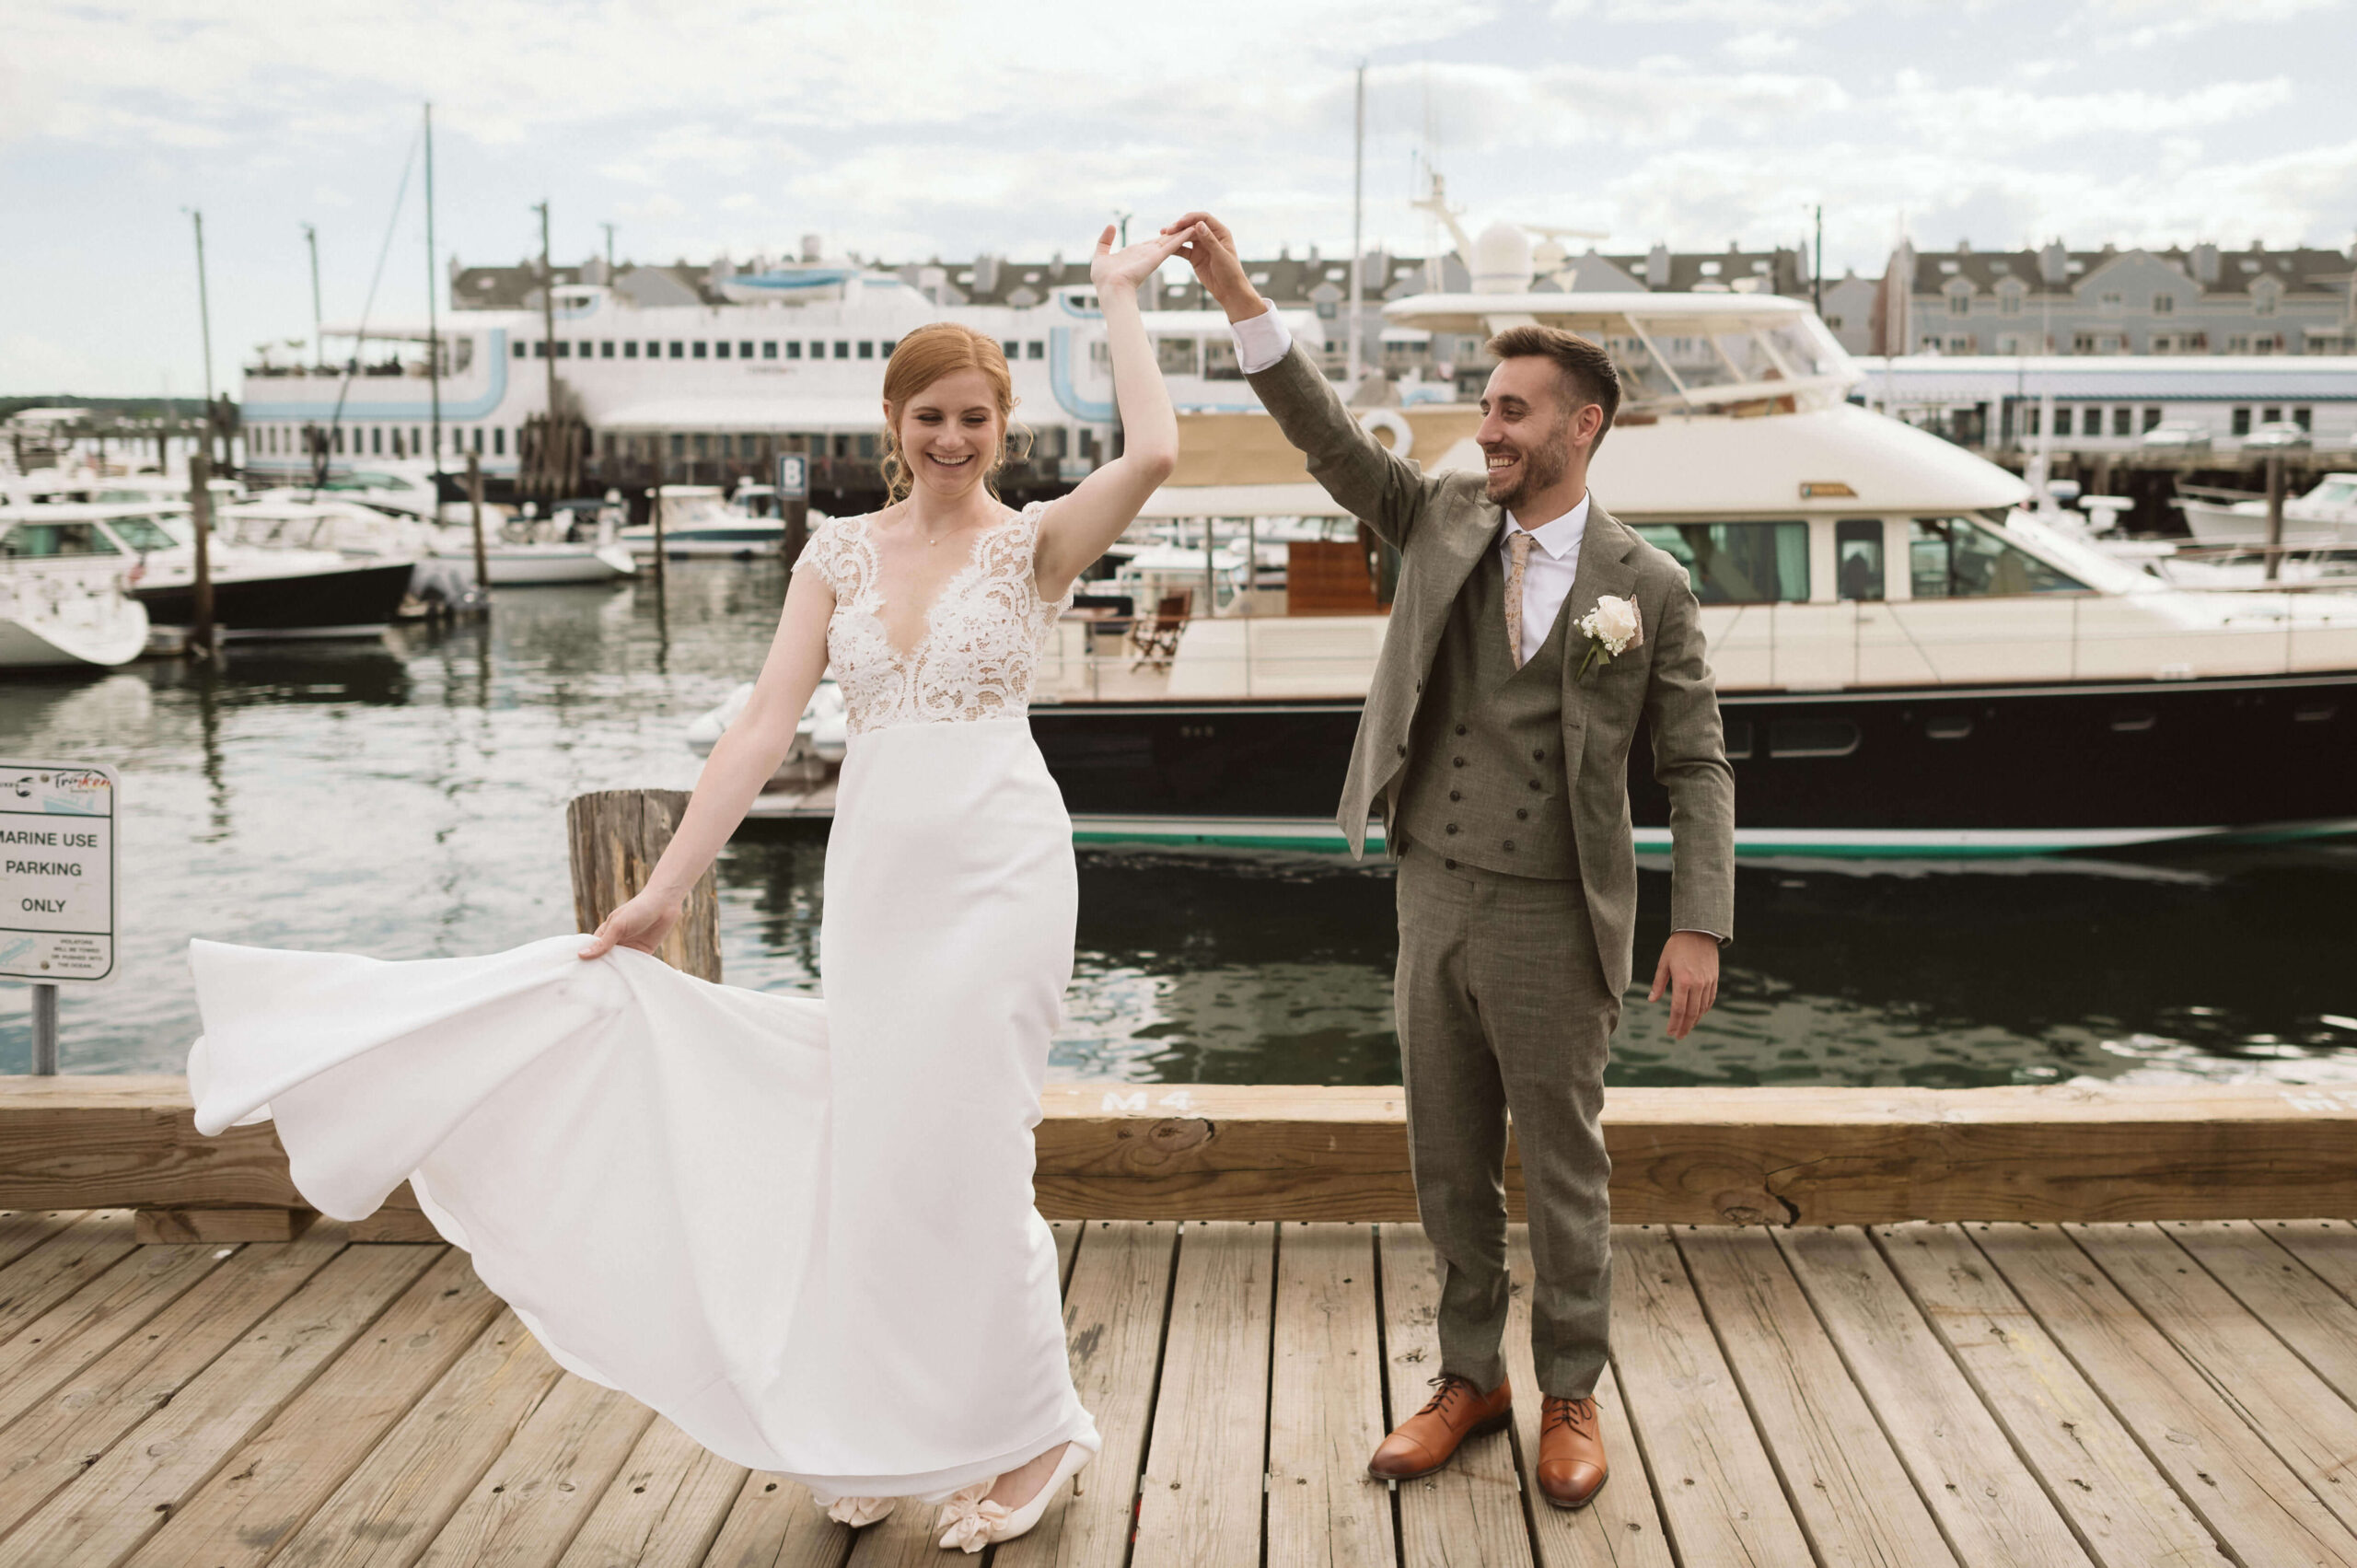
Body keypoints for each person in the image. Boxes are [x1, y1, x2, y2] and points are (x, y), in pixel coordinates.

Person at [185, 221, 1193, 1554]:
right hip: (881, 877)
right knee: (874, 1148)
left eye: (975, 417)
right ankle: (884, 1420)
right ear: (892, 422)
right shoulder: (834, 553)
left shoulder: (1038, 547)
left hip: (1000, 871)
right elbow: (762, 730)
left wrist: (1119, 297)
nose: (952, 437)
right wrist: (662, 893)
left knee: (972, 1146)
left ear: (1003, 426)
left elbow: (1159, 450)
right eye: (929, 416)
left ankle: (1033, 1426)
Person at [1164, 212, 1736, 1511]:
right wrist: (1239, 291)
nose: (1490, 428)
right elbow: (1321, 432)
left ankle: (1572, 1393)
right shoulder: (1433, 517)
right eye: (1487, 406)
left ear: (1581, 426)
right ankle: (1468, 1380)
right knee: (1446, 1158)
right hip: (1433, 892)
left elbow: (1696, 766)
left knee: (1567, 1165)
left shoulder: (1645, 587)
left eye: (1515, 411)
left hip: (1554, 914)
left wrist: (1698, 923)